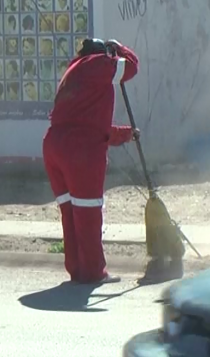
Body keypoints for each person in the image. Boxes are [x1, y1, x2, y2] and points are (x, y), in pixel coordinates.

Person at [42, 37, 140, 284]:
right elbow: (132, 66)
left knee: (70, 211)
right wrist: (119, 48)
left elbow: (90, 126)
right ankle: (94, 272)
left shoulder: (73, 72)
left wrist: (125, 134)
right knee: (88, 213)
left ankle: (77, 269)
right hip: (79, 151)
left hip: (55, 145)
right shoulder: (97, 64)